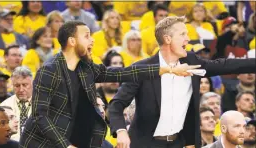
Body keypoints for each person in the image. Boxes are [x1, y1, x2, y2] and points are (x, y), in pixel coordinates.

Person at [19, 20, 200, 148]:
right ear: (72, 42)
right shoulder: (49, 70)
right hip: (43, 144)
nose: (92, 40)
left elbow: (123, 72)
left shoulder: (86, 68)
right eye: (87, 36)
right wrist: (66, 146)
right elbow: (39, 116)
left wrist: (167, 70)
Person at [108, 16, 256, 148]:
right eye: (182, 34)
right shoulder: (141, 69)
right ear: (167, 39)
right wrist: (121, 132)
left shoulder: (191, 61)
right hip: (144, 143)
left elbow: (224, 65)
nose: (188, 38)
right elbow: (116, 104)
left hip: (179, 143)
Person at [0, 66, 33, 141]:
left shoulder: (44, 104)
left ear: (33, 84)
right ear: (12, 86)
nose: (21, 90)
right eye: (17, 86)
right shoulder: (4, 106)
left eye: (25, 85)